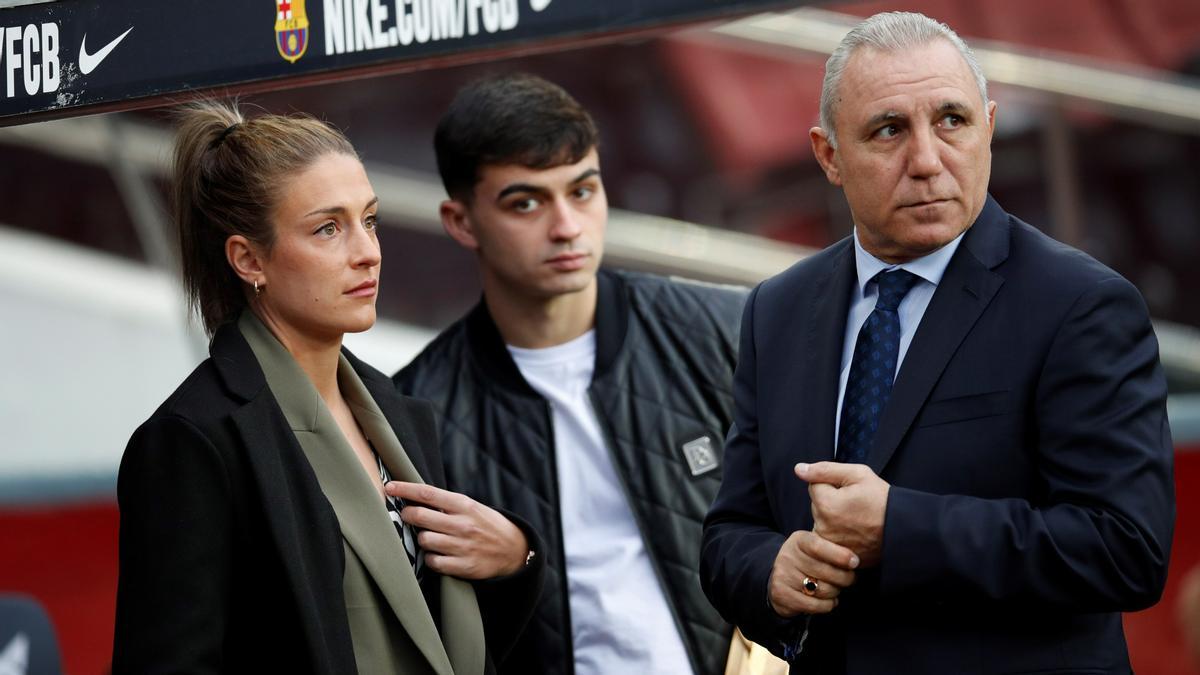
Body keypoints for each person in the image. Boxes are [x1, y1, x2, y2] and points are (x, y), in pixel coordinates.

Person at [700, 11, 1175, 674]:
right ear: (829, 155)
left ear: (986, 126)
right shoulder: (777, 309)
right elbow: (730, 532)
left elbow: (1125, 549)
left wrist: (898, 528)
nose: (927, 161)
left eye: (951, 120)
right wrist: (774, 571)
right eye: (889, 130)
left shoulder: (1079, 304)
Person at [112, 101, 544, 674]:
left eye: (370, 220)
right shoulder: (193, 442)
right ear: (248, 259)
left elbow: (436, 637)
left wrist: (516, 558)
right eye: (328, 229)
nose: (367, 252)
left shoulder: (396, 409)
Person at [393, 73, 746, 675]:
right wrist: (518, 565)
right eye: (525, 203)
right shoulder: (417, 412)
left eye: (582, 191)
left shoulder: (721, 331)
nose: (566, 227)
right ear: (461, 222)